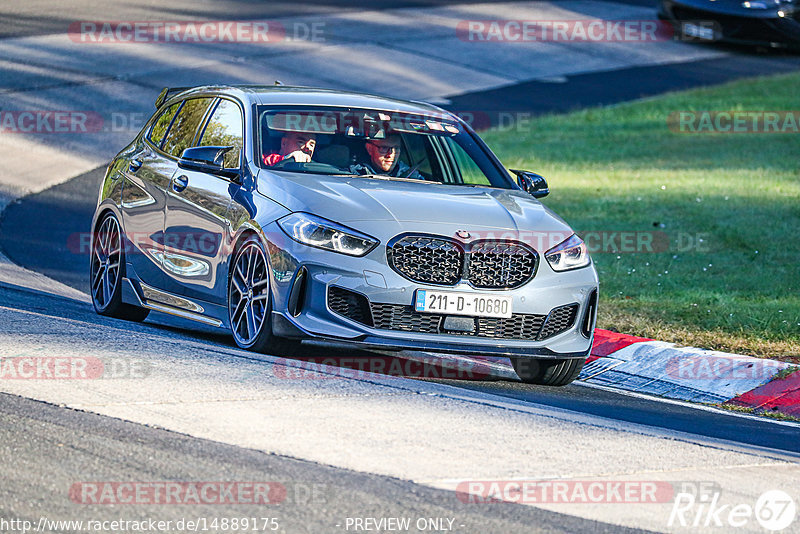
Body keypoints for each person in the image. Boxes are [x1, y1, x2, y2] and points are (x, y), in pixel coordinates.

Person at [355, 135, 424, 180]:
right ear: (369, 149)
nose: (391, 154)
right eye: (384, 148)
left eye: (396, 148)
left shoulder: (412, 177)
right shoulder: (354, 174)